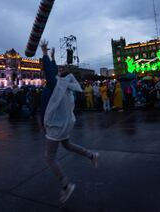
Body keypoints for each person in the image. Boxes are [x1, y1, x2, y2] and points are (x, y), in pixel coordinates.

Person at [41, 40, 99, 204]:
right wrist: (51, 57)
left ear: (60, 76)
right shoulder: (64, 86)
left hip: (55, 126)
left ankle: (66, 185)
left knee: (49, 157)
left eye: (60, 70)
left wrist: (45, 54)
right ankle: (91, 155)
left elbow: (49, 72)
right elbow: (51, 71)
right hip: (63, 124)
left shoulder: (56, 85)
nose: (57, 71)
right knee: (67, 145)